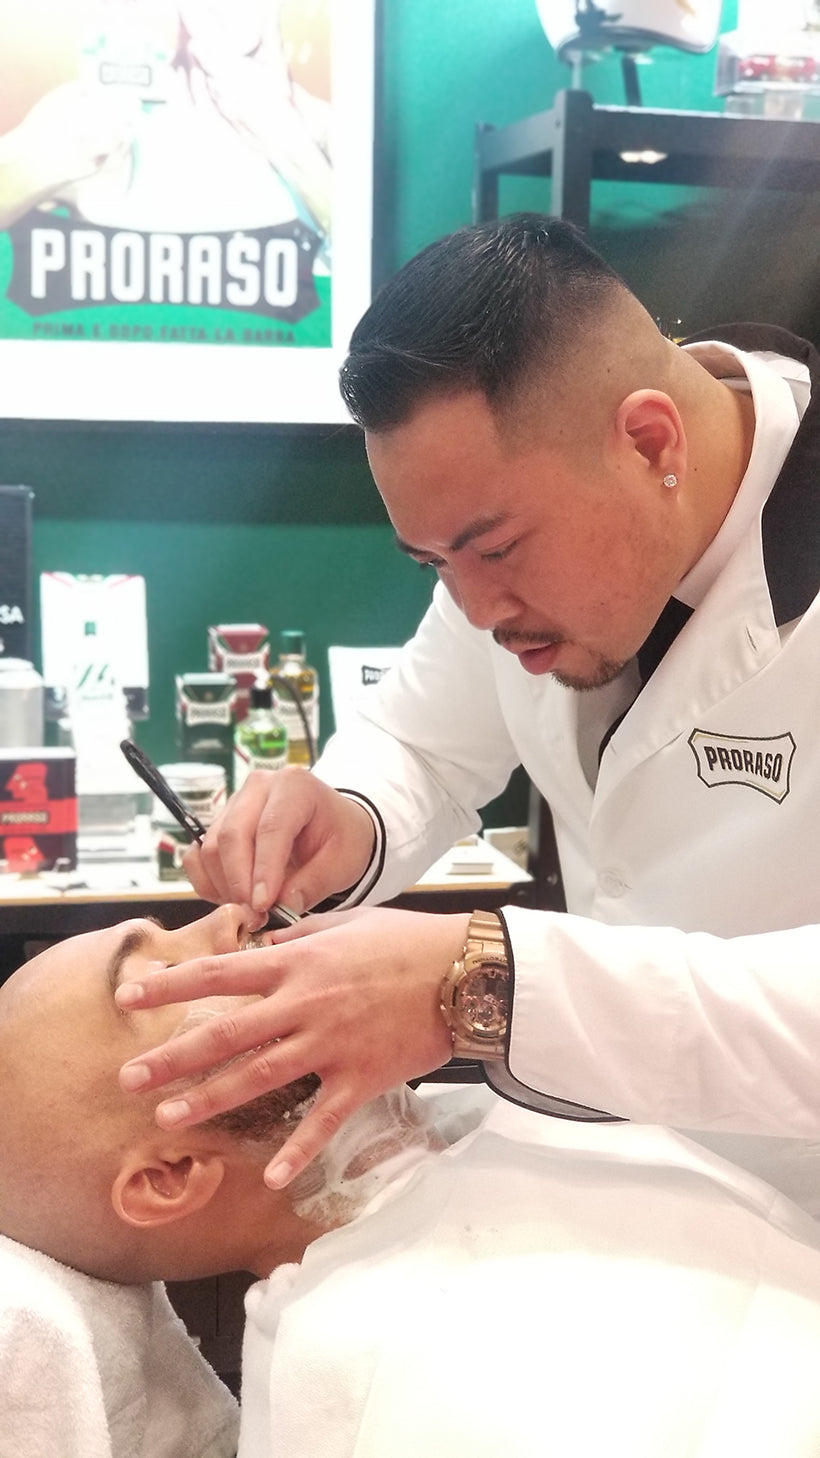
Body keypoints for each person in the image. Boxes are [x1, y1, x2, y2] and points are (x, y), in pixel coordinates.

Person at [114, 211, 820, 1201]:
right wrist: (346, 821)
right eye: (433, 563)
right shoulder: (504, 563)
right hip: (642, 1193)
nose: (477, 610)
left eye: (494, 549)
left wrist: (491, 984)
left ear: (650, 441)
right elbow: (421, 743)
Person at [10, 906, 820, 1456]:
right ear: (173, 1176)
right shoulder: (356, 1393)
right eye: (167, 971)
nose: (228, 919)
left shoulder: (510, 1114)